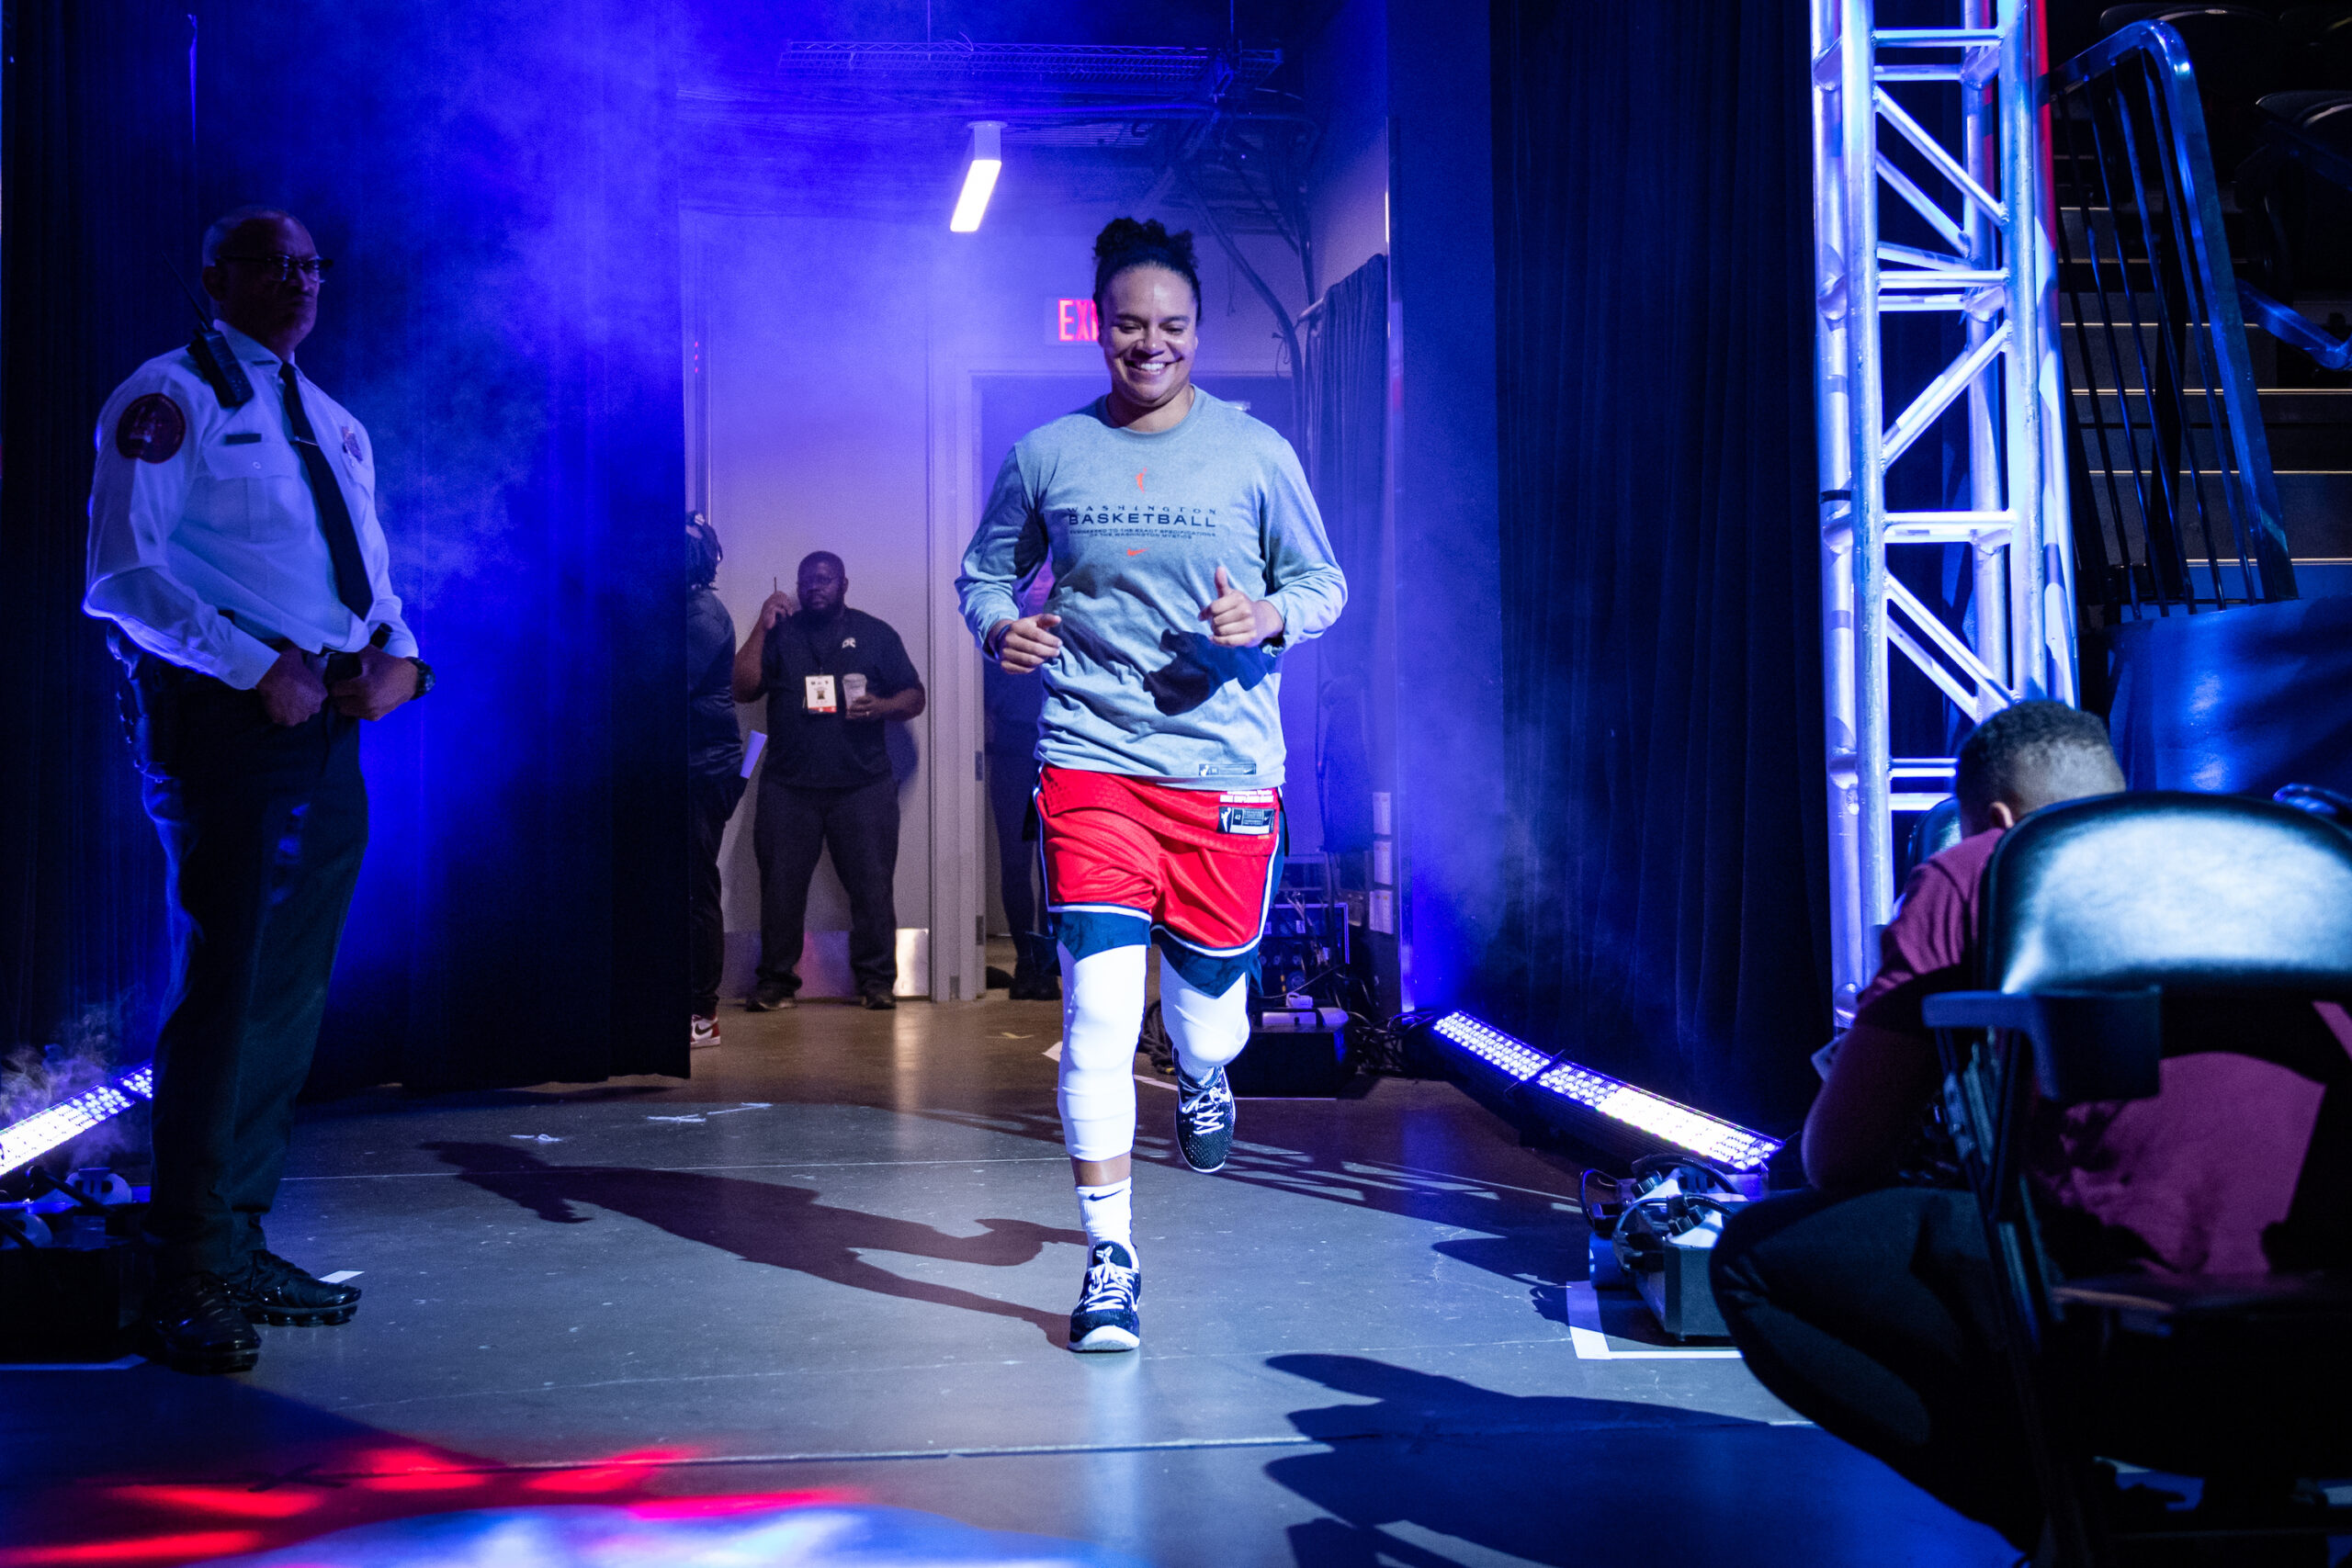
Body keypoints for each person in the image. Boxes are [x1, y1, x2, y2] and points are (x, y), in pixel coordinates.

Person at [1711, 701, 2352, 1551]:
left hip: (2137, 1349)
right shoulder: (2296, 867)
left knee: (1760, 1260)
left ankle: (2073, 1524)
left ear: (1996, 819)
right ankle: (2264, 1497)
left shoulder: (1991, 865)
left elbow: (1841, 1157)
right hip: (2331, 1353)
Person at [956, 217, 1348, 1352]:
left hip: (1223, 766)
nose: (1150, 344)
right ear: (1098, 327)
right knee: (1096, 1018)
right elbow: (986, 574)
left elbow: (1320, 582)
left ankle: (1208, 1076)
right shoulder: (1047, 454)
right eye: (1129, 324)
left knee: (1210, 1023)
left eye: (1171, 325)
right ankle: (1110, 1259)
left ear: (1196, 330)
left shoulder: (1255, 452)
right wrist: (1001, 631)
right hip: (1091, 761)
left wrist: (1269, 614)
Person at [85, 207, 431, 1374]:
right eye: (269, 266)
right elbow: (122, 575)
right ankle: (185, 1264)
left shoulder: (333, 423)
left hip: (327, 728)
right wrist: (252, 668)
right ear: (213, 277)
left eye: (309, 267)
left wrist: (403, 653)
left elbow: (370, 575)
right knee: (227, 991)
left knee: (286, 997)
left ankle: (233, 1238)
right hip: (230, 724)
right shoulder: (168, 397)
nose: (296, 283)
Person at [732, 551, 923, 1011]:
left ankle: (876, 982)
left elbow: (915, 696)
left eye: (824, 579)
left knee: (872, 888)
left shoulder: (875, 634)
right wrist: (762, 623)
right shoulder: (780, 633)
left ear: (844, 584)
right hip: (788, 784)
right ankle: (776, 983)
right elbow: (742, 687)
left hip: (862, 785)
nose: (814, 587)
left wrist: (881, 706)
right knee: (780, 888)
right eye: (807, 580)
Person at [984, 561, 1057, 1001]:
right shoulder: (1004, 636)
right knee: (1015, 863)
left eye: (1051, 579)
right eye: (1037, 581)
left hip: (1063, 755)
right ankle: (1026, 962)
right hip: (1012, 753)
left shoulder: (1072, 635)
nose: (1043, 587)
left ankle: (1048, 964)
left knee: (1056, 866)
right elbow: (984, 701)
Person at [687, 513, 745, 1049]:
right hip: (685, 767)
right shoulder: (675, 609)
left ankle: (701, 1014)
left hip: (705, 770)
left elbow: (660, 681)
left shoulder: (703, 613)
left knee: (694, 887)